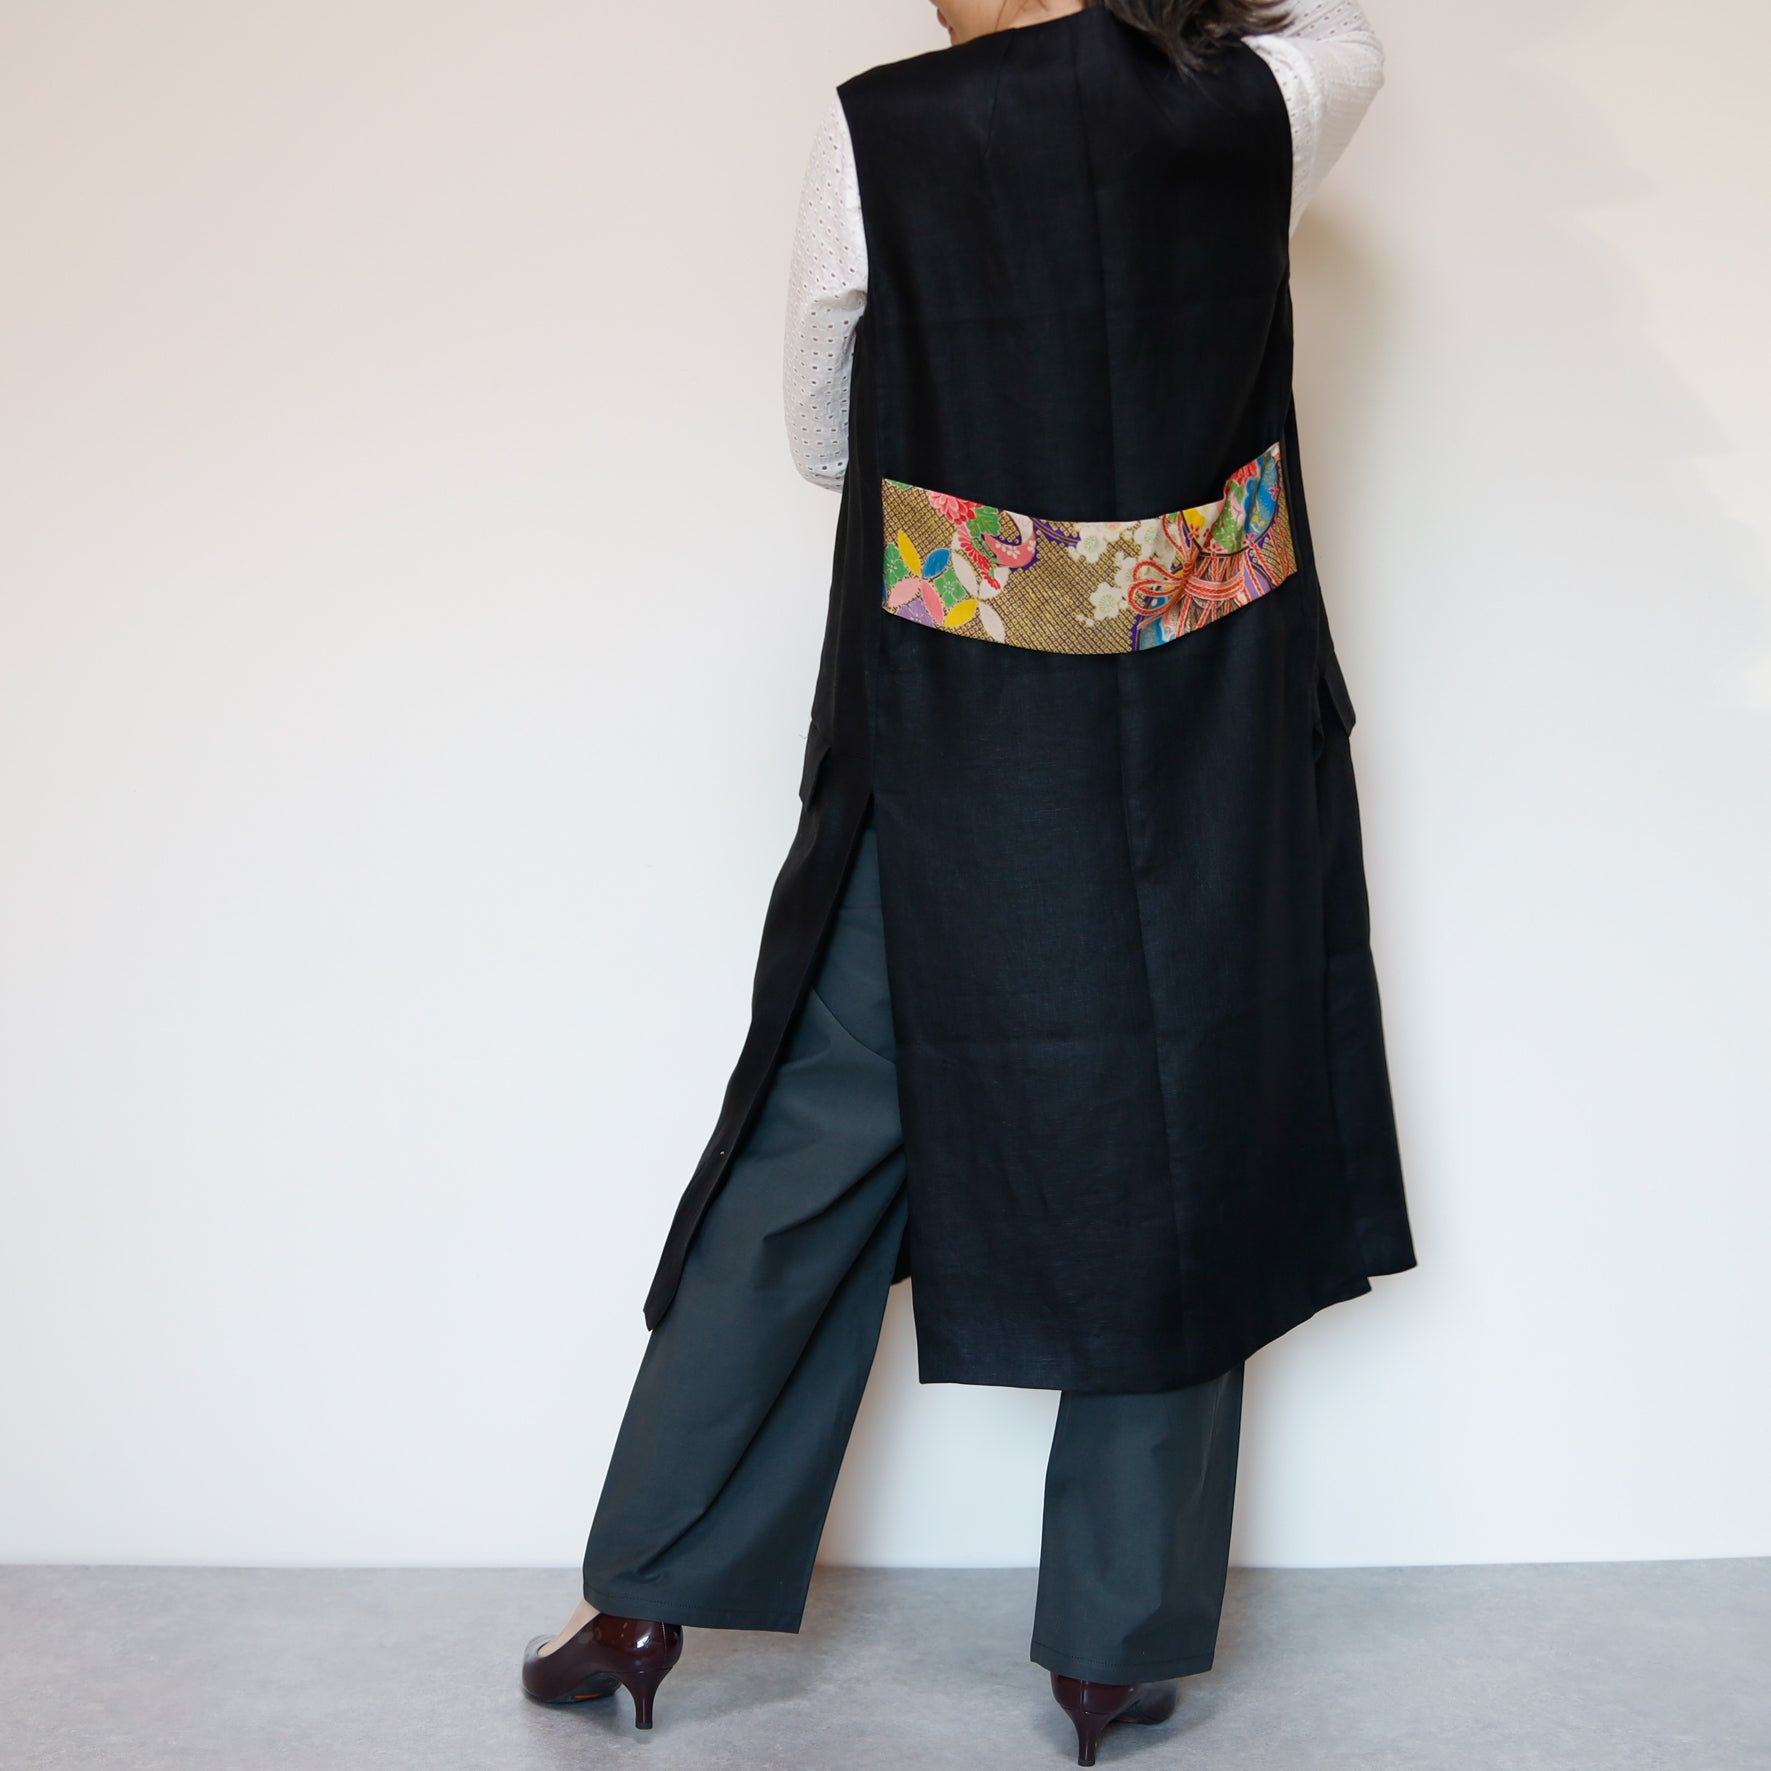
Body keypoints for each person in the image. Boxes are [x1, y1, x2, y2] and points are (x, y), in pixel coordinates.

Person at [521, 0, 1417, 1761]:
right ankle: (1110, 1653)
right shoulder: (1281, 94)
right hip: (1209, 736)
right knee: (1179, 1149)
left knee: (818, 1142)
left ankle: (644, 1596)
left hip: (965, 726)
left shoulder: (882, 132)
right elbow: (1341, 27)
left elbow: (820, 433)